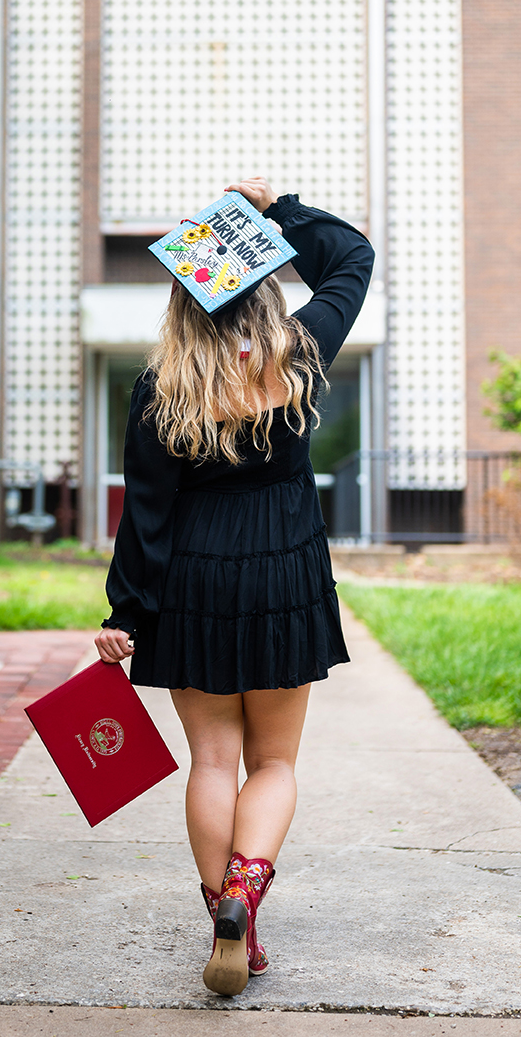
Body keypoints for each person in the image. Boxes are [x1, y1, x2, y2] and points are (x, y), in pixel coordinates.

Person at [94, 177, 374, 996]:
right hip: (285, 567)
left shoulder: (161, 389)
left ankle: (222, 904)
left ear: (184, 303)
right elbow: (351, 258)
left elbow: (144, 512)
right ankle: (248, 889)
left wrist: (124, 613)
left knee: (212, 758)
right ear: (263, 297)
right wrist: (276, 207)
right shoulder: (303, 354)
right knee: (275, 761)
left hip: (195, 577)